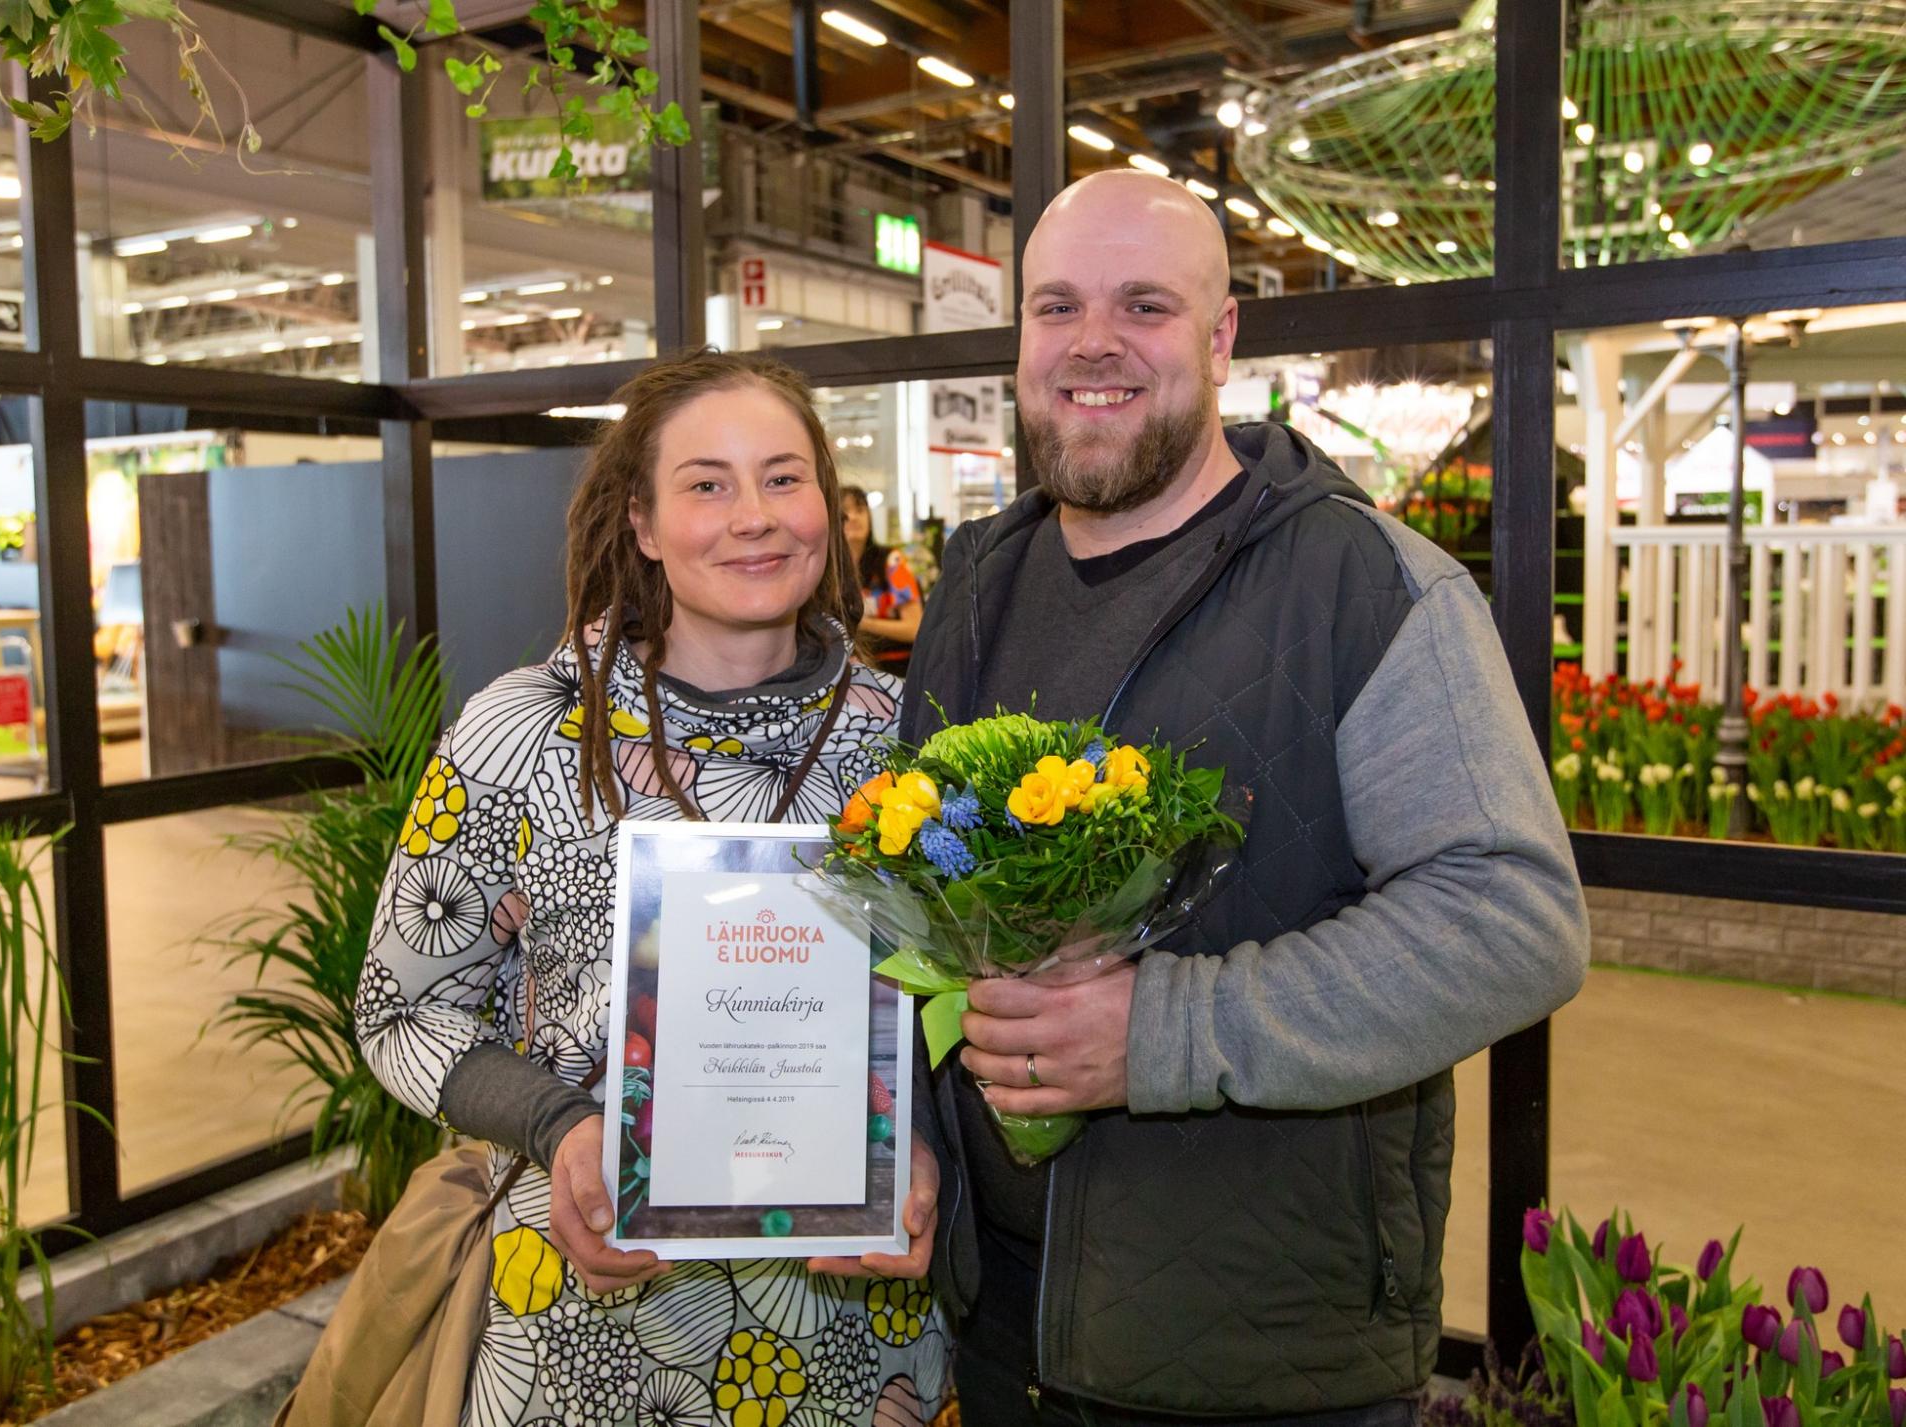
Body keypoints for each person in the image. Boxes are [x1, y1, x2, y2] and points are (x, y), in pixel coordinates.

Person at [900, 170, 1590, 1423]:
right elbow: (923, 917)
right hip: (999, 1333)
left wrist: (1162, 1031)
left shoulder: (1366, 584)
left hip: (1261, 1360)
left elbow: (1511, 918)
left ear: (1221, 338)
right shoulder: (977, 584)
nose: (1091, 342)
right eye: (1055, 306)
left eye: (1143, 304)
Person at [355, 349, 948, 1426]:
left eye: (783, 475)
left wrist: (924, 1144)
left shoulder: (909, 741)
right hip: (585, 1319)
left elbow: (964, 1010)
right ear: (639, 519)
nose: (753, 517)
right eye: (706, 483)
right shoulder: (526, 731)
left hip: (852, 1336)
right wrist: (559, 1126)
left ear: (831, 502)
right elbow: (400, 1009)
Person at [840, 483, 923, 668]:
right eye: (846, 512)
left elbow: (914, 627)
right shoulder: (828, 569)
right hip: (848, 669)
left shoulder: (891, 562)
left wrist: (861, 624)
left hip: (896, 668)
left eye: (860, 510)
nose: (853, 517)